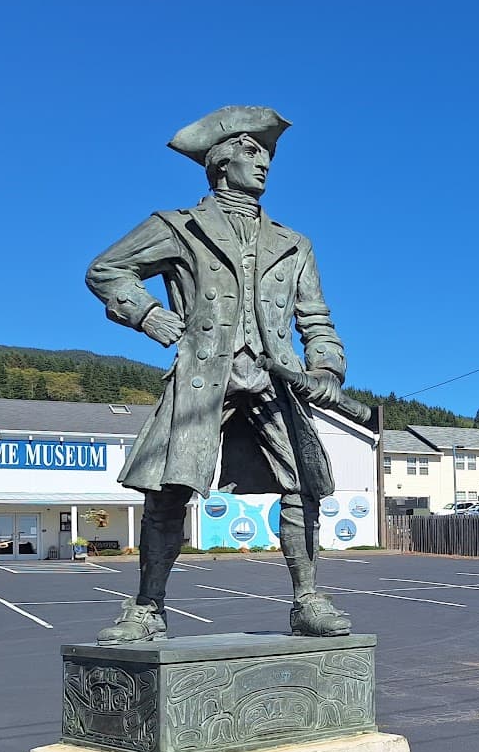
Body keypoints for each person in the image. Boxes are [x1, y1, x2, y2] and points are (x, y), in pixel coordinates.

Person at [87, 106, 352, 642]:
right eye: (253, 151)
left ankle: (307, 600)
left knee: (303, 483)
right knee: (166, 488)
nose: (265, 164)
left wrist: (326, 366)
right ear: (220, 159)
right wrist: (151, 316)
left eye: (268, 154)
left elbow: (317, 320)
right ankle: (148, 608)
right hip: (204, 373)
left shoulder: (294, 244)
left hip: (276, 379)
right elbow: (107, 270)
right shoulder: (177, 228)